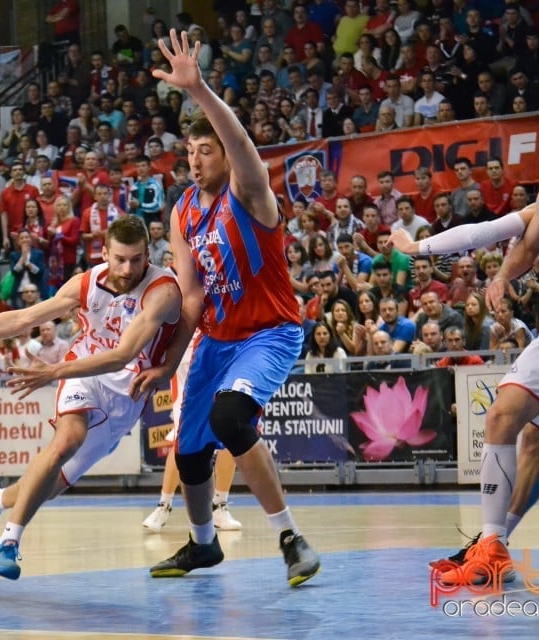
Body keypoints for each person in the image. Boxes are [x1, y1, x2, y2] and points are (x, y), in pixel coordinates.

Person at [131, 30, 320, 587]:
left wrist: (200, 91)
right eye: (188, 151)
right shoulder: (183, 212)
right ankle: (203, 544)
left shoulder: (252, 192)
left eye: (204, 148)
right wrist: (167, 360)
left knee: (231, 418)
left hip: (269, 332)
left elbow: (242, 148)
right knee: (188, 452)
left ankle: (291, 536)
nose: (194, 159)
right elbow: (190, 296)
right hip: (214, 337)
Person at [387, 147, 539, 576]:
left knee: (531, 433)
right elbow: (481, 232)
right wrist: (418, 247)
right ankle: (493, 544)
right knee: (531, 433)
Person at [0, 216, 181, 580]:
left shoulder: (162, 292)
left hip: (124, 395)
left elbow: (123, 355)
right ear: (105, 253)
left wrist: (52, 372)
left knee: (49, 488)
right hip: (82, 371)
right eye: (120, 259)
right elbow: (23, 318)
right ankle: (9, 543)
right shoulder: (86, 283)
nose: (128, 269)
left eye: (137, 259)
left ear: (148, 256)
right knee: (66, 440)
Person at [142, 329, 242, 533]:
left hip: (223, 353)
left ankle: (219, 506)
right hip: (187, 360)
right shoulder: (181, 301)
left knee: (231, 429)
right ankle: (164, 505)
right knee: (182, 435)